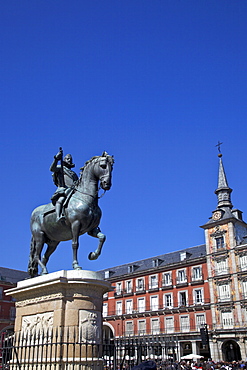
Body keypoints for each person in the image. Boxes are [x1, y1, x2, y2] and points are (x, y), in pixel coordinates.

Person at [50, 149, 78, 221]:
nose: (69, 160)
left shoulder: (74, 174)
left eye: (70, 159)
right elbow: (52, 168)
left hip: (74, 191)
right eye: (67, 159)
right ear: (64, 159)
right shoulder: (61, 168)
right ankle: (58, 216)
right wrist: (56, 158)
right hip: (64, 189)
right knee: (61, 199)